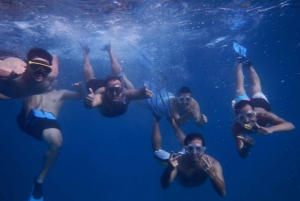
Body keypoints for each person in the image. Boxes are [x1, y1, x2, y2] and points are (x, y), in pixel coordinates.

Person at [16, 79, 84, 201]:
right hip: (27, 120)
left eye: (52, 80)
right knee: (33, 91)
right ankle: (29, 117)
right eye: (48, 79)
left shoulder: (61, 93)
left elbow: (80, 96)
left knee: (57, 143)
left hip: (47, 123)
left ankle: (39, 180)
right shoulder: (34, 88)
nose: (50, 82)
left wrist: (79, 88)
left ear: (56, 82)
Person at [232, 59, 295, 158]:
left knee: (255, 87)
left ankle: (250, 67)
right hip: (245, 105)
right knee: (239, 89)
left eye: (249, 115)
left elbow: (290, 125)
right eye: (243, 118)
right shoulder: (237, 127)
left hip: (260, 103)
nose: (248, 121)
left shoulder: (263, 115)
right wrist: (246, 147)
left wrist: (271, 129)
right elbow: (242, 154)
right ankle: (239, 62)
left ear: (254, 113)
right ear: (237, 118)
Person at [151, 117, 226, 197]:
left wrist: (213, 176)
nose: (194, 153)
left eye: (198, 149)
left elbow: (222, 193)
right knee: (157, 151)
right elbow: (164, 186)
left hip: (186, 155)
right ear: (185, 150)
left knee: (189, 144)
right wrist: (168, 170)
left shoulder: (212, 164)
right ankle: (156, 119)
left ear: (203, 150)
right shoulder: (176, 163)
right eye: (190, 149)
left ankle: (172, 121)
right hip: (180, 157)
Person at [79, 41, 153, 118]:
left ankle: (108, 49)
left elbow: (137, 93)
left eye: (117, 90)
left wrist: (143, 94)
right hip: (98, 88)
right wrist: (89, 103)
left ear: (122, 90)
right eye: (111, 90)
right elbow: (93, 103)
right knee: (90, 78)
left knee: (118, 75)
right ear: (106, 90)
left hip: (111, 86)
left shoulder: (126, 95)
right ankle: (87, 52)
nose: (114, 94)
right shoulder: (101, 97)